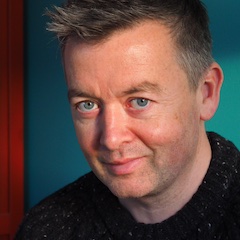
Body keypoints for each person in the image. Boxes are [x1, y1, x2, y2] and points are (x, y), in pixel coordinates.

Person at [15, 0, 240, 239]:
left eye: (139, 101)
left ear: (206, 93)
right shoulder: (44, 229)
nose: (111, 140)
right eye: (87, 105)